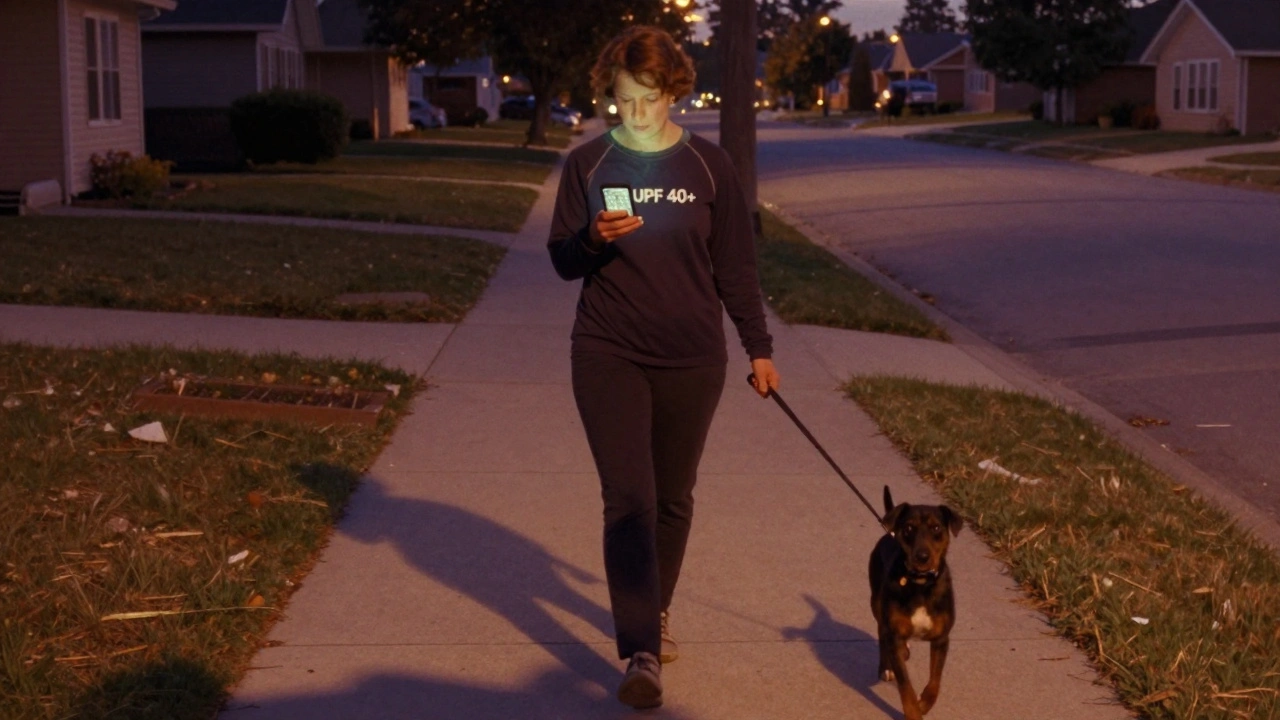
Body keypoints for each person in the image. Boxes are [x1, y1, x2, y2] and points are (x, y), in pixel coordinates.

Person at [547, 24, 781, 710]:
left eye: (650, 98)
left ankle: (657, 610)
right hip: (607, 351)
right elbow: (562, 261)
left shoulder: (710, 166)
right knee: (630, 500)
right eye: (625, 100)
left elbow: (735, 267)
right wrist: (592, 239)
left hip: (692, 357)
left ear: (673, 90)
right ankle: (641, 649)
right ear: (608, 95)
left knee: (674, 498)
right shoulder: (587, 165)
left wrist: (758, 348)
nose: (638, 113)